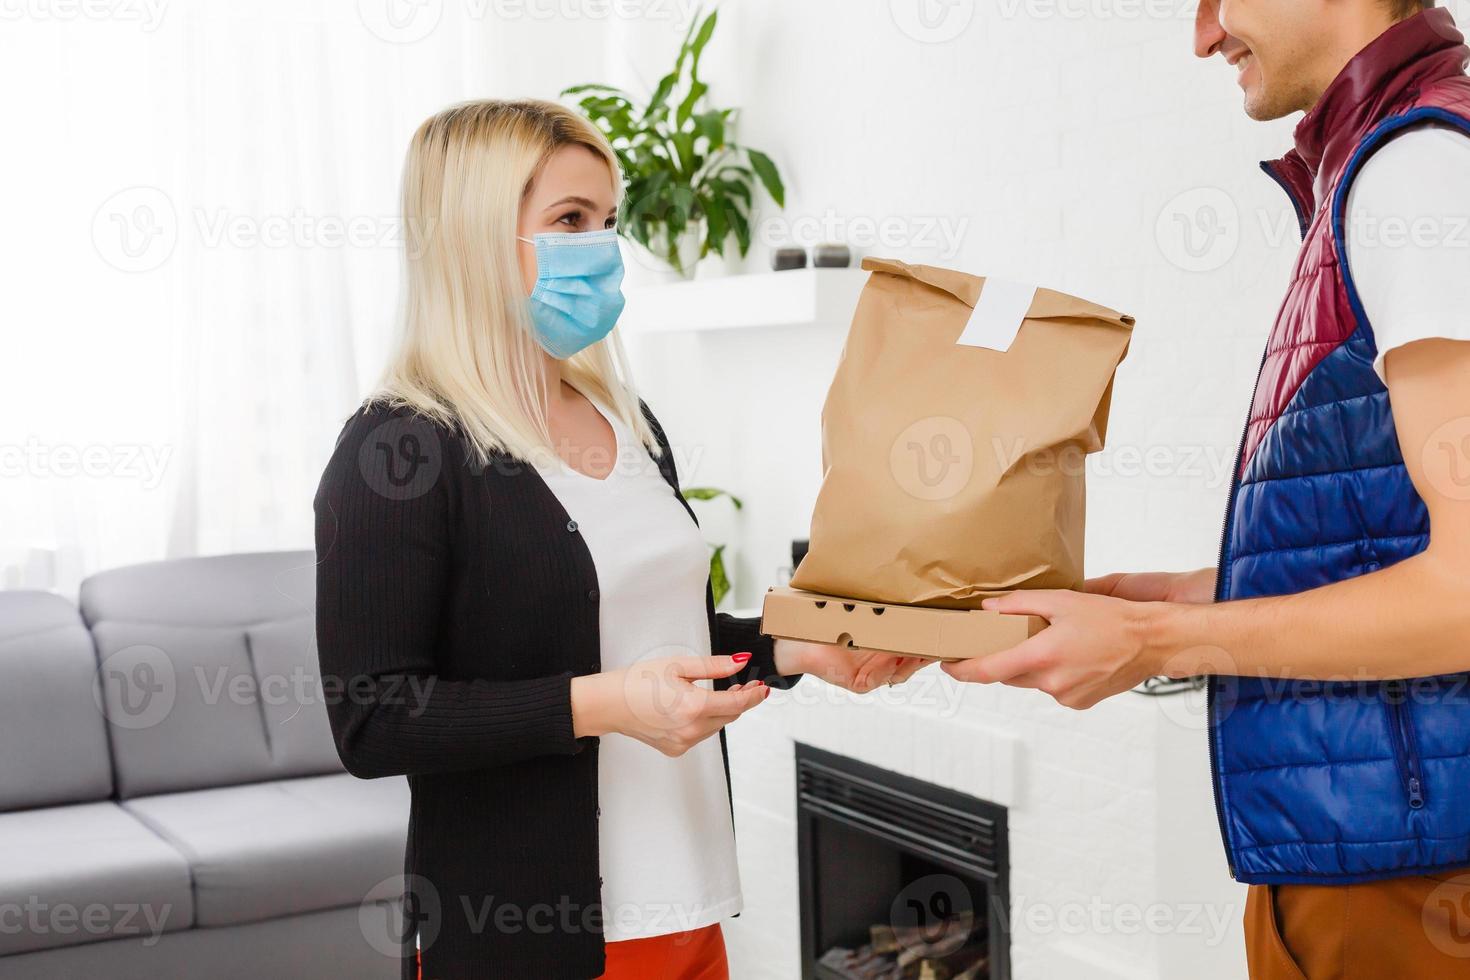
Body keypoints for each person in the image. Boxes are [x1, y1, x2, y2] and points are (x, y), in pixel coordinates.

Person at [314, 99, 922, 980]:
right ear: (472, 239)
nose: (600, 249)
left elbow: (666, 647)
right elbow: (372, 719)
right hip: (530, 938)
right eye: (569, 221)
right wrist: (609, 705)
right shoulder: (397, 449)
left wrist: (798, 649)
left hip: (688, 907)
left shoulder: (627, 421)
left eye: (606, 222)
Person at [942, 2, 1470, 976]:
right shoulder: (1382, 166)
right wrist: (1190, 595)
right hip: (1361, 857)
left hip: (1407, 883)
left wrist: (1152, 643)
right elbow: (1392, 538)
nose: (1203, 33)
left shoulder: (1417, 167)